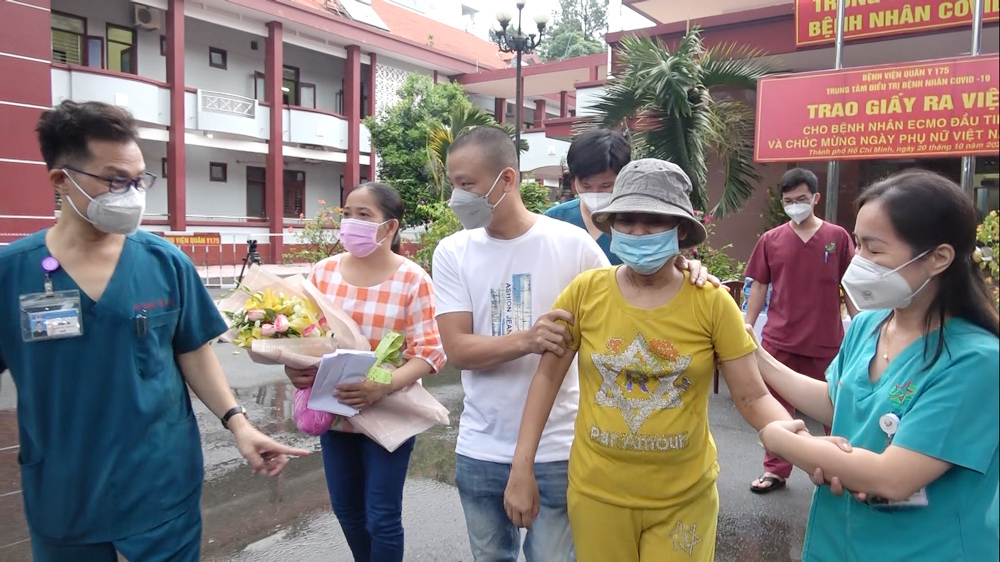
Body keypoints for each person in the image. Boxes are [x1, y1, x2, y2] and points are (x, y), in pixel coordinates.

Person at [0, 100, 308, 561]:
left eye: (139, 179)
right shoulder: (12, 274)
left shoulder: (164, 262)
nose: (131, 193)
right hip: (65, 497)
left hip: (161, 486)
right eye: (114, 180)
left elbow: (193, 350)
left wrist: (238, 423)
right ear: (61, 181)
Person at [502, 159, 809, 562]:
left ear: (680, 229)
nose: (637, 232)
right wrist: (521, 468)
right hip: (597, 495)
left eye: (653, 221)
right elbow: (546, 380)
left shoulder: (712, 302)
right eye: (626, 220)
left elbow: (752, 397)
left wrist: (800, 443)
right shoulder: (585, 292)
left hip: (684, 499)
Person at [433, 129, 716, 562]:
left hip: (560, 445)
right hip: (480, 444)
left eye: (467, 184)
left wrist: (682, 265)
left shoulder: (572, 243)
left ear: (505, 179)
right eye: (454, 183)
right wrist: (527, 340)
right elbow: (457, 350)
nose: (457, 196)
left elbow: (630, 292)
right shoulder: (452, 251)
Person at [756, 170, 1000, 561]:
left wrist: (779, 438)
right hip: (839, 543)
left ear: (938, 258)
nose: (858, 261)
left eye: (875, 249)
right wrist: (753, 354)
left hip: (926, 550)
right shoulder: (870, 324)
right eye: (857, 244)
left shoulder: (976, 361)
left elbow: (892, 477)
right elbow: (839, 402)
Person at [284, 182, 446, 562]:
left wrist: (381, 386)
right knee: (347, 509)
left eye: (364, 215)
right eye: (348, 214)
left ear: (389, 228)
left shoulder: (412, 280)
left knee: (382, 517)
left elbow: (430, 354)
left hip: (388, 415)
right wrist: (295, 367)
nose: (351, 223)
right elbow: (304, 337)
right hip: (335, 414)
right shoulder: (322, 273)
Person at [745, 167, 856, 494]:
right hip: (779, 340)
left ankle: (846, 467)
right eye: (789, 200)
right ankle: (776, 471)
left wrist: (863, 326)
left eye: (802, 199)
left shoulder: (837, 238)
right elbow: (760, 286)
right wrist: (747, 325)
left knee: (836, 411)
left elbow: (849, 286)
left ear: (816, 198)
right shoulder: (771, 239)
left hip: (825, 342)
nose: (795, 205)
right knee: (777, 410)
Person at [544, 128, 630, 265]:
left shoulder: (637, 221)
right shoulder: (555, 219)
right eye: (586, 186)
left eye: (606, 186)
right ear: (573, 180)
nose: (595, 193)